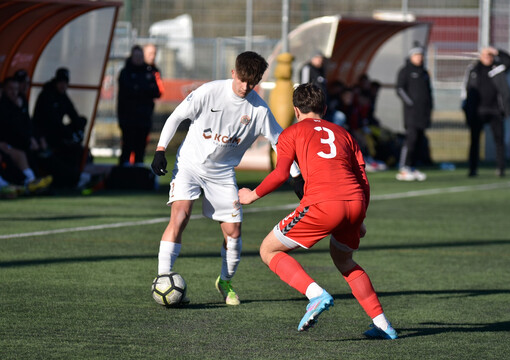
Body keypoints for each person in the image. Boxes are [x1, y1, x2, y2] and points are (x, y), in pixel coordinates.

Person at [238, 83, 397, 339]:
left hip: (323, 203)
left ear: (296, 110)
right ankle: (383, 325)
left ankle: (315, 294)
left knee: (268, 250)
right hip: (355, 203)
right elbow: (363, 180)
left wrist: (252, 195)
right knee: (344, 261)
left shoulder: (291, 133)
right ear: (324, 108)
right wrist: (360, 219)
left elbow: (281, 173)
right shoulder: (344, 134)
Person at [150, 51, 298, 306]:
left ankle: (225, 281)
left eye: (252, 83)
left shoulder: (259, 110)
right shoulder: (209, 92)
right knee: (180, 215)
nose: (245, 87)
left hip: (222, 173)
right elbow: (176, 116)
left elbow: (282, 145)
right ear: (233, 73)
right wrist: (160, 150)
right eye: (242, 80)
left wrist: (297, 179)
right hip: (190, 164)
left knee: (234, 232)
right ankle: (164, 278)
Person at [462, 47, 510, 177]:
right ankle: (472, 169)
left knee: (499, 141)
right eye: (485, 55)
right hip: (478, 111)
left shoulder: (497, 68)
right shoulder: (473, 70)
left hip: (495, 111)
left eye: (489, 55)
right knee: (474, 141)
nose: (487, 58)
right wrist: (467, 109)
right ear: (480, 56)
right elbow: (466, 90)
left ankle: (500, 168)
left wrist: (496, 51)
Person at [32, 68, 87, 188]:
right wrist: (69, 135)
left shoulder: (63, 97)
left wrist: (79, 129)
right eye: (61, 82)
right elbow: (53, 122)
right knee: (61, 156)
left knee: (77, 148)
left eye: (65, 83)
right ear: (56, 82)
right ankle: (73, 179)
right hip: (45, 136)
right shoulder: (46, 95)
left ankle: (75, 177)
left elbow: (74, 115)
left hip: (58, 134)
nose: (63, 85)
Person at [0, 77, 52, 193]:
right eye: (10, 89)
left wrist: (34, 139)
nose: (14, 92)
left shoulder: (20, 103)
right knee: (15, 154)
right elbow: (11, 128)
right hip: (8, 143)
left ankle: (30, 181)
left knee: (24, 153)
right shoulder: (5, 107)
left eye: (16, 89)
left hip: (13, 143)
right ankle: (24, 183)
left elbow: (26, 125)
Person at [117, 45, 162, 166]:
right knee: (127, 147)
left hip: (144, 117)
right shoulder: (125, 72)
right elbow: (128, 92)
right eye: (136, 56)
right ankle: (123, 172)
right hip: (128, 118)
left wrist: (140, 89)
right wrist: (143, 89)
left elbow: (156, 91)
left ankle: (138, 173)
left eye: (140, 56)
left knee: (140, 148)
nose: (138, 59)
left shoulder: (150, 72)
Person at [395, 44, 433, 181]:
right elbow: (400, 89)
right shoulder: (405, 71)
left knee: (419, 141)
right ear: (411, 57)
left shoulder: (424, 72)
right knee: (410, 139)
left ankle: (412, 166)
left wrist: (429, 109)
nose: (419, 58)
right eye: (417, 55)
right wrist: (411, 103)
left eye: (421, 55)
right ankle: (403, 167)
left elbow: (429, 93)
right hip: (411, 114)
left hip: (423, 114)